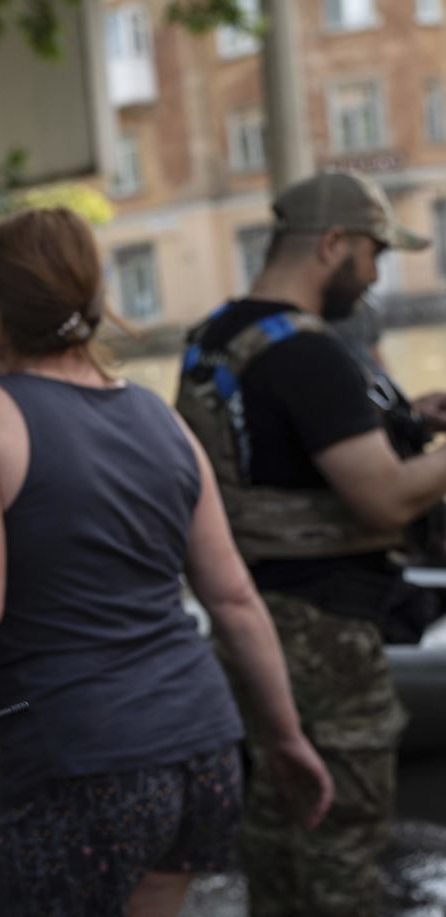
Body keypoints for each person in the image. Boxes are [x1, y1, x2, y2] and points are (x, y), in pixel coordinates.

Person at [0, 208, 332, 917]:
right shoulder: (160, 417)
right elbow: (234, 599)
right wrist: (287, 737)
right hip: (205, 749)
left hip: (83, 764)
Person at [176, 170, 446, 916]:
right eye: (373, 253)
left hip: (248, 617)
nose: (377, 273)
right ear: (333, 244)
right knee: (342, 838)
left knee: (276, 823)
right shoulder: (308, 353)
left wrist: (406, 424)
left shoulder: (216, 338)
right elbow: (383, 495)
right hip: (322, 628)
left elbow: (272, 451)